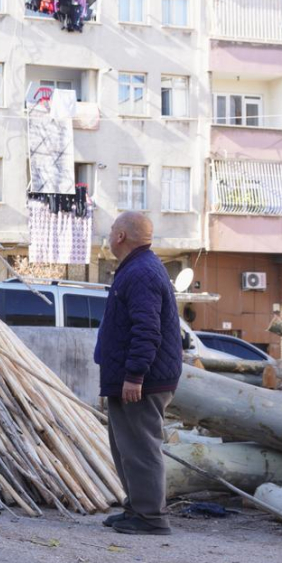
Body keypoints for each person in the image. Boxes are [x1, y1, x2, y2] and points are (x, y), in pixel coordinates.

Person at [94, 211, 183, 536]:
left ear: (121, 237)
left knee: (141, 447)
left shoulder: (141, 272)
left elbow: (147, 329)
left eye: (112, 229)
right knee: (126, 446)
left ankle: (150, 517)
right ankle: (136, 508)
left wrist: (134, 376)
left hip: (143, 380)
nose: (108, 234)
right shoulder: (138, 268)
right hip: (134, 377)